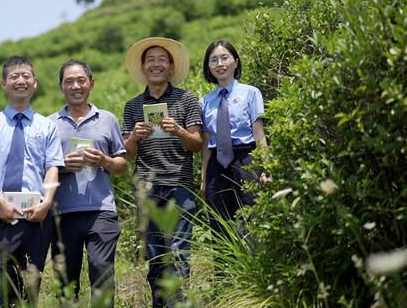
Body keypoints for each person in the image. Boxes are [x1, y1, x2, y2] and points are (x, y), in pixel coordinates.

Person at [0, 56, 64, 307]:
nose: (20, 81)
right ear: (3, 84)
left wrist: (47, 203)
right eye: (14, 76)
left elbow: (52, 168)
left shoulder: (47, 126)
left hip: (36, 216)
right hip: (1, 215)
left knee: (29, 287)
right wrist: (1, 201)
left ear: (34, 83)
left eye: (26, 76)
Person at [122, 37, 203, 307]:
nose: (156, 65)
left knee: (180, 253)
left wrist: (178, 130)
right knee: (155, 256)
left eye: (162, 60)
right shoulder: (132, 106)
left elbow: (196, 144)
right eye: (150, 60)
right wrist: (134, 136)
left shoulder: (187, 99)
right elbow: (128, 153)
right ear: (143, 68)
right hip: (147, 187)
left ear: (170, 67)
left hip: (180, 185)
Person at [48, 59, 127, 306]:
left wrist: (104, 160)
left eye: (81, 80)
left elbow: (122, 165)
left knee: (102, 275)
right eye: (69, 81)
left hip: (101, 211)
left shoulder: (107, 119)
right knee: (65, 283)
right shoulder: (49, 124)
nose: (75, 86)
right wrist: (61, 166)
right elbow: (41, 170)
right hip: (62, 214)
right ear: (61, 86)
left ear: (91, 83)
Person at [199, 39, 268, 238]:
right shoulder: (205, 101)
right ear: (208, 67)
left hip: (245, 159)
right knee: (219, 222)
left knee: (253, 215)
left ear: (235, 62)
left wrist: (267, 168)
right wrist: (203, 178)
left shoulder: (251, 93)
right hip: (216, 165)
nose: (220, 64)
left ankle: (257, 264)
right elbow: (206, 143)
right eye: (214, 60)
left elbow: (259, 134)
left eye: (224, 58)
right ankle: (223, 269)